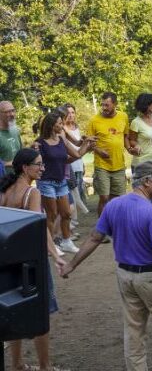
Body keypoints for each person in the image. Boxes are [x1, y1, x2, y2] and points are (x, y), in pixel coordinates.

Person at [59, 161, 152, 371]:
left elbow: (94, 238)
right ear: (146, 181)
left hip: (126, 276)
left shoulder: (113, 206)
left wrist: (72, 265)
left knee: (134, 334)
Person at [1, 148, 67, 371]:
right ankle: (45, 366)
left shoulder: (3, 191)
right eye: (38, 164)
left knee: (12, 310)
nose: (43, 168)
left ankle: (17, 364)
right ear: (24, 167)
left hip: (8, 262)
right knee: (41, 311)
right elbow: (40, 230)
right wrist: (56, 256)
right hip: (31, 262)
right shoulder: (32, 193)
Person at [37, 112, 91, 253]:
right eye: (59, 124)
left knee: (66, 213)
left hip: (61, 181)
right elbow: (36, 163)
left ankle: (66, 242)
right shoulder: (40, 143)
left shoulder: (61, 138)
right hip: (46, 182)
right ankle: (51, 245)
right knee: (52, 214)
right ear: (51, 125)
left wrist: (88, 144)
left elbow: (76, 154)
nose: (62, 126)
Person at [87, 91, 131, 221]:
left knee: (118, 198)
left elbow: (126, 136)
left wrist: (129, 148)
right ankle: (102, 229)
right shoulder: (94, 120)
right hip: (102, 165)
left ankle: (115, 224)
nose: (104, 108)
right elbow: (89, 143)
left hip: (119, 165)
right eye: (102, 105)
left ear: (115, 104)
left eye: (107, 105)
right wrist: (99, 151)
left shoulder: (123, 117)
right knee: (104, 197)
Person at [129, 93, 152, 214]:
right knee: (142, 195)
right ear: (146, 105)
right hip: (142, 165)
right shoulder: (136, 122)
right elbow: (131, 140)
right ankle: (141, 221)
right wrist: (136, 145)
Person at [63, 103, 89, 221]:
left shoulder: (76, 127)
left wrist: (82, 163)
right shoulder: (63, 129)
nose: (70, 115)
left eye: (73, 112)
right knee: (73, 192)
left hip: (78, 162)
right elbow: (74, 147)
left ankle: (74, 220)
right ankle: (73, 221)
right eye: (68, 113)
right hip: (69, 164)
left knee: (78, 190)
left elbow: (78, 145)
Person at [0, 100, 22, 172]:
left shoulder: (15, 131)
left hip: (18, 178)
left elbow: (20, 152)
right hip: (3, 180)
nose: (12, 114)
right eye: (8, 112)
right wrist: (8, 163)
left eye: (13, 110)